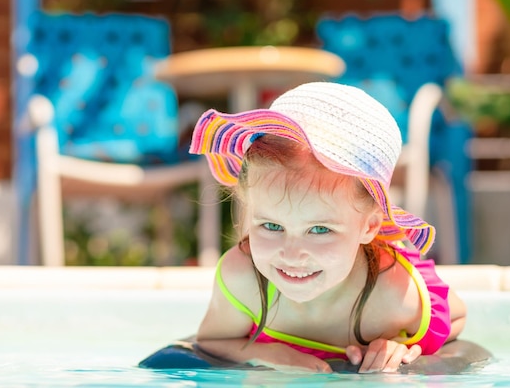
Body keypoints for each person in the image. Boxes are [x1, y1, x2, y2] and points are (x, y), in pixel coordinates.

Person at [188, 82, 467, 373]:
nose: (292, 254)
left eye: (320, 229)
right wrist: (270, 354)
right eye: (271, 225)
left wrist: (405, 346)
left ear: (369, 226)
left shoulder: (396, 295)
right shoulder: (243, 279)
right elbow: (211, 342)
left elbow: (457, 318)